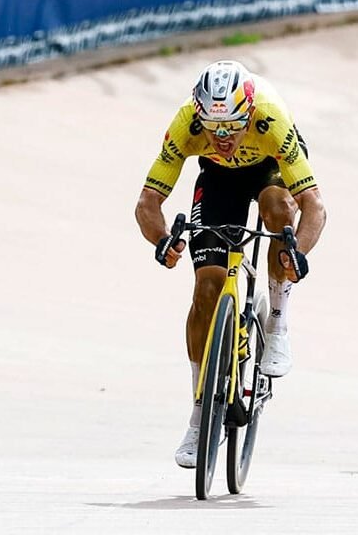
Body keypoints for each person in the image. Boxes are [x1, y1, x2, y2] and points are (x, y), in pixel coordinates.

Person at [135, 60, 327, 468]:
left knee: (279, 212)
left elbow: (314, 205)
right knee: (206, 289)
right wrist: (162, 239)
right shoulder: (187, 122)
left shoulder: (270, 117)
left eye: (233, 127)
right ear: (199, 116)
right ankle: (200, 412)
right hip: (218, 179)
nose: (223, 137)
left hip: (270, 170)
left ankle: (277, 321)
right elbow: (148, 202)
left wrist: (298, 253)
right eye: (213, 128)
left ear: (249, 112)